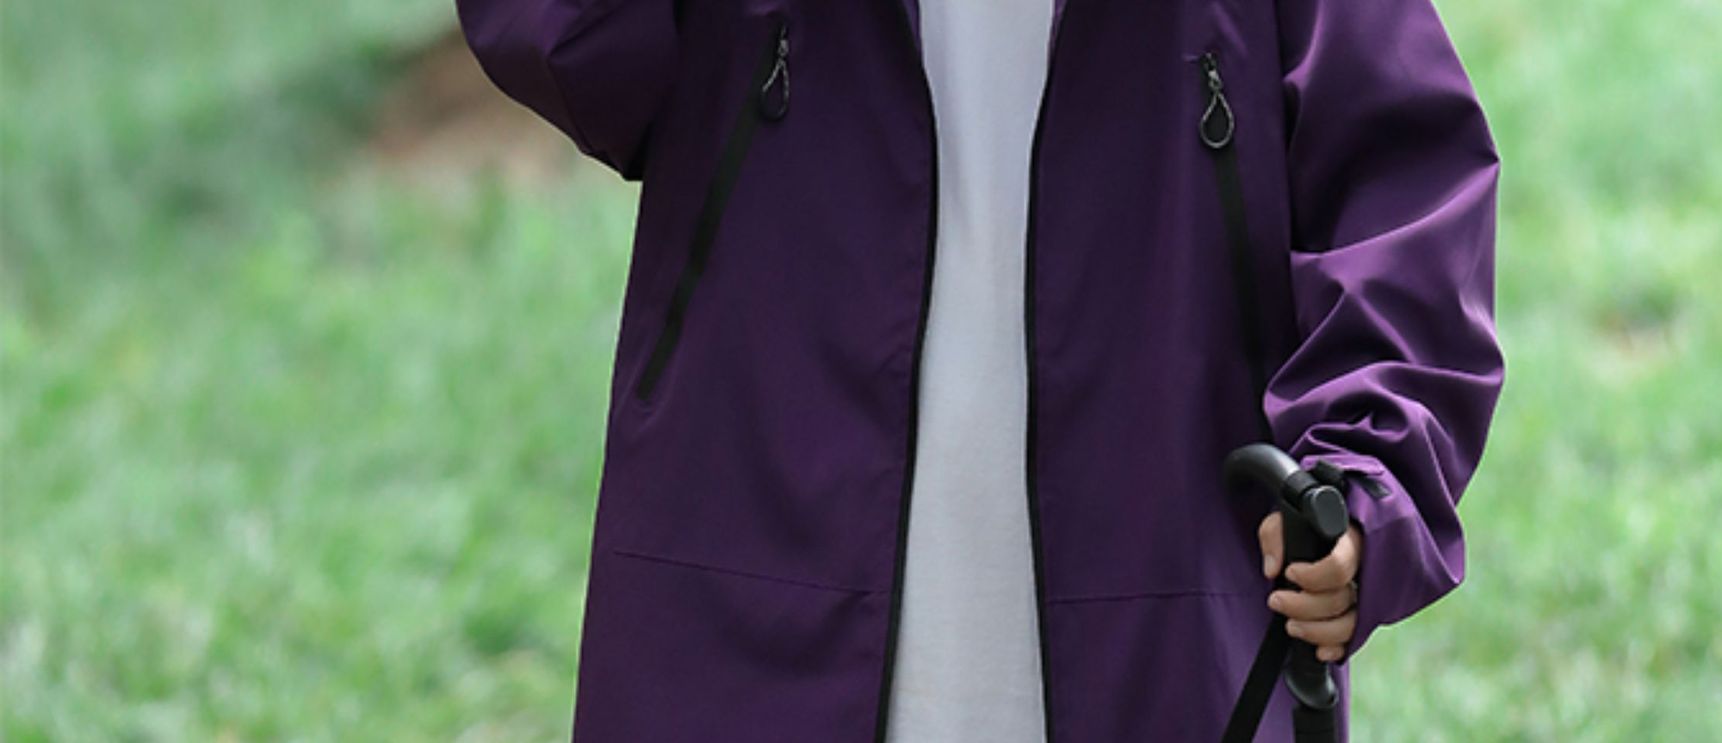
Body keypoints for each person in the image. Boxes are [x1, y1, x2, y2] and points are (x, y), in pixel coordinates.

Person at [456, 0, 1500, 740]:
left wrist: (1366, 480)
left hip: (1169, 630)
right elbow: (572, 44)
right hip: (751, 604)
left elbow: (1405, 183)